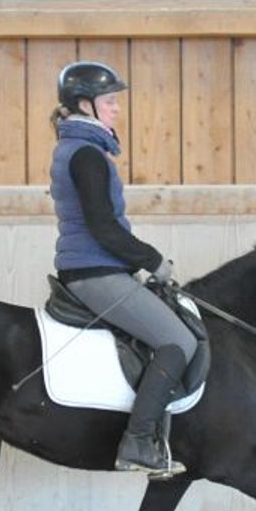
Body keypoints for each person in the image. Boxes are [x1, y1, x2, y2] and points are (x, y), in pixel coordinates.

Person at [49, 60, 197, 478]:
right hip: (93, 271)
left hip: (96, 265)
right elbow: (104, 227)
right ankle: (137, 442)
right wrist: (152, 262)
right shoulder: (86, 156)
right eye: (109, 101)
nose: (116, 108)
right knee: (177, 341)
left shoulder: (84, 149)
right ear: (85, 104)